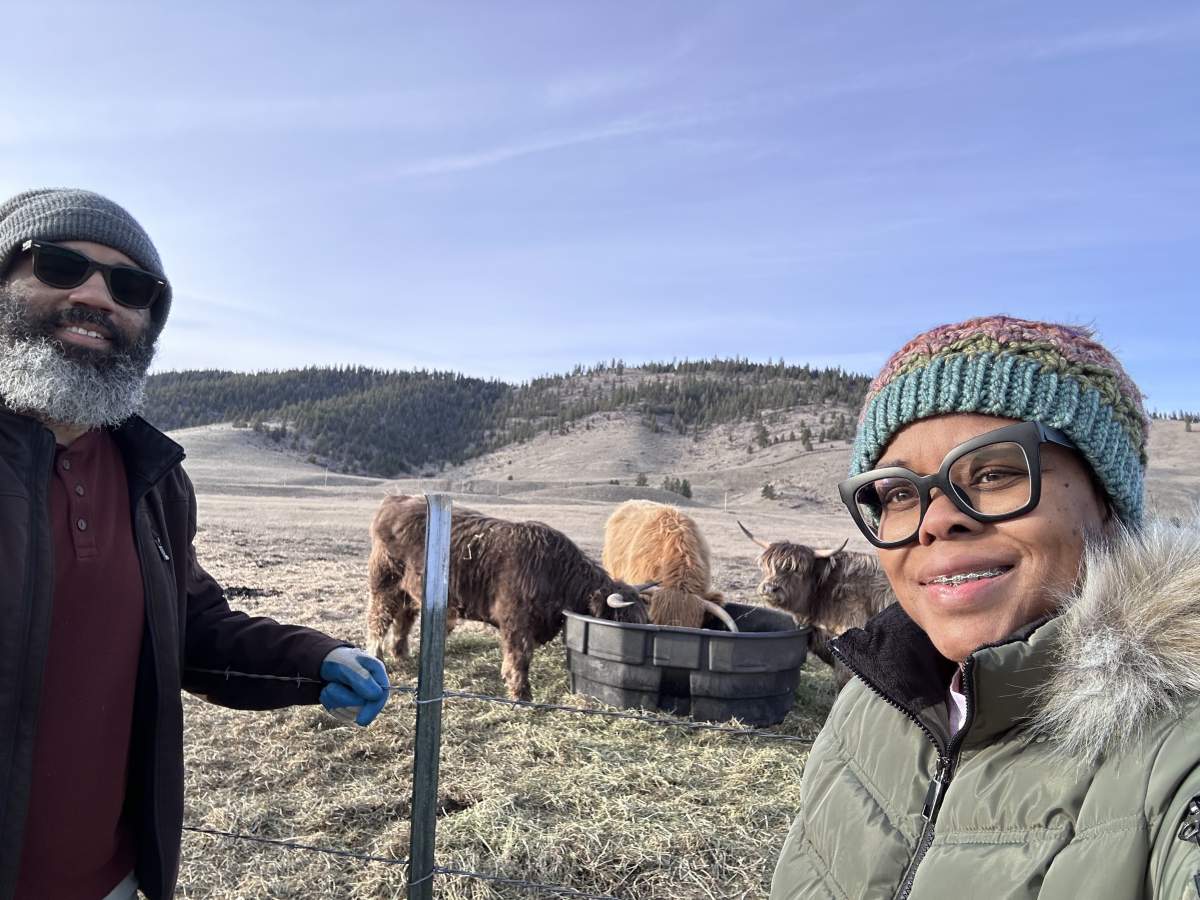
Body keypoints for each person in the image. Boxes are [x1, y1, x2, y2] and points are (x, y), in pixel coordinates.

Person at [0, 189, 392, 900]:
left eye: (130, 287)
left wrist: (316, 660)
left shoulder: (150, 478)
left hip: (115, 881)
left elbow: (191, 627)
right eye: (60, 265)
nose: (95, 295)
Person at [770, 316, 1200, 899]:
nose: (936, 518)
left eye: (995, 471)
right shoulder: (865, 702)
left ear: (1107, 501)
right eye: (898, 493)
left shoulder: (1177, 743)